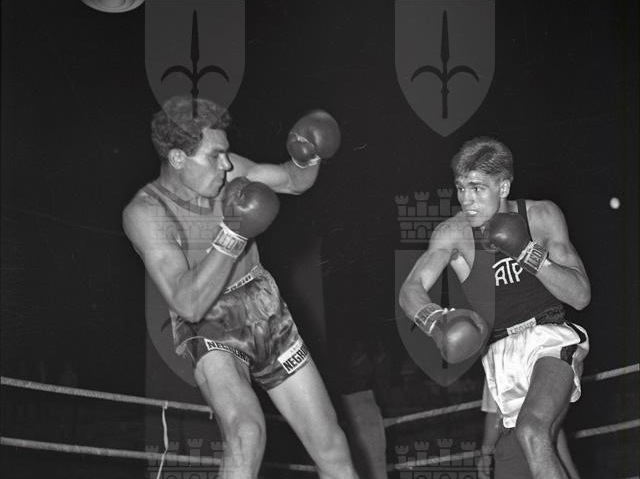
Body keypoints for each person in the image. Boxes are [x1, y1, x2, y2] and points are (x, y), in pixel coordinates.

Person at [123, 96, 359, 479]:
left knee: (330, 444)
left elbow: (292, 181)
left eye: (225, 153)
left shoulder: (229, 172)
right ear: (178, 158)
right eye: (214, 156)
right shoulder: (146, 212)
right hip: (208, 322)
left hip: (264, 305)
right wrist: (232, 233)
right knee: (246, 431)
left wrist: (308, 158)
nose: (226, 165)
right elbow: (188, 303)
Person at [399, 136, 590, 479]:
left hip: (550, 340)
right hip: (501, 356)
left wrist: (528, 252)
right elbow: (410, 289)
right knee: (537, 450)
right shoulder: (453, 233)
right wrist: (436, 322)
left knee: (532, 431)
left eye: (477, 188)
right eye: (460, 188)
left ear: (503, 186)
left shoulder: (540, 216)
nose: (466, 199)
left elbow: (580, 295)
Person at [477, 379, 581, 479]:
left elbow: (494, 415)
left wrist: (486, 453)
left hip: (537, 437)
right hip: (526, 437)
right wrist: (486, 453)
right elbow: (493, 415)